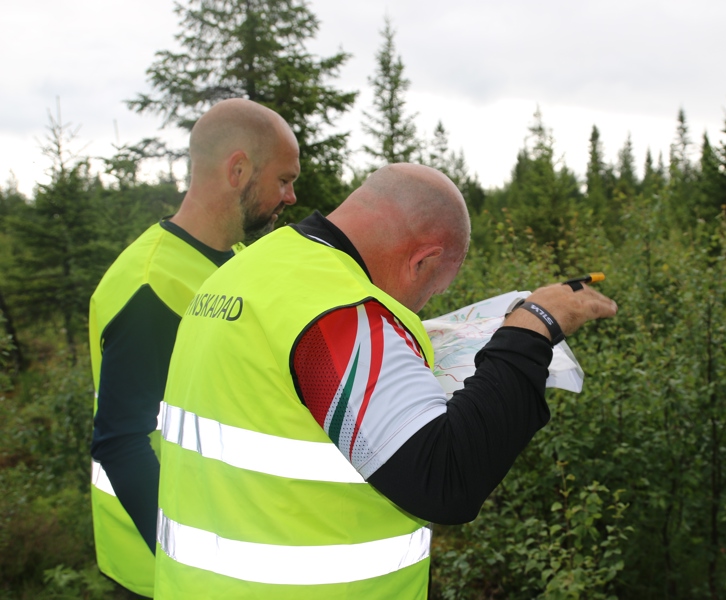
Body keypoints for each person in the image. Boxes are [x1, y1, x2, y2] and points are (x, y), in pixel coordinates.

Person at [154, 163, 618, 599]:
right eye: (434, 287)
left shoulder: (251, 267)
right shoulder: (339, 310)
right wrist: (531, 327)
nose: (419, 306)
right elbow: (445, 477)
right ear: (423, 261)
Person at [88, 98, 300, 597]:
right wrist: (198, 563)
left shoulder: (237, 261)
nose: (290, 196)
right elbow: (120, 443)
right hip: (168, 575)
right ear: (239, 170)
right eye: (284, 180)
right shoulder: (152, 284)